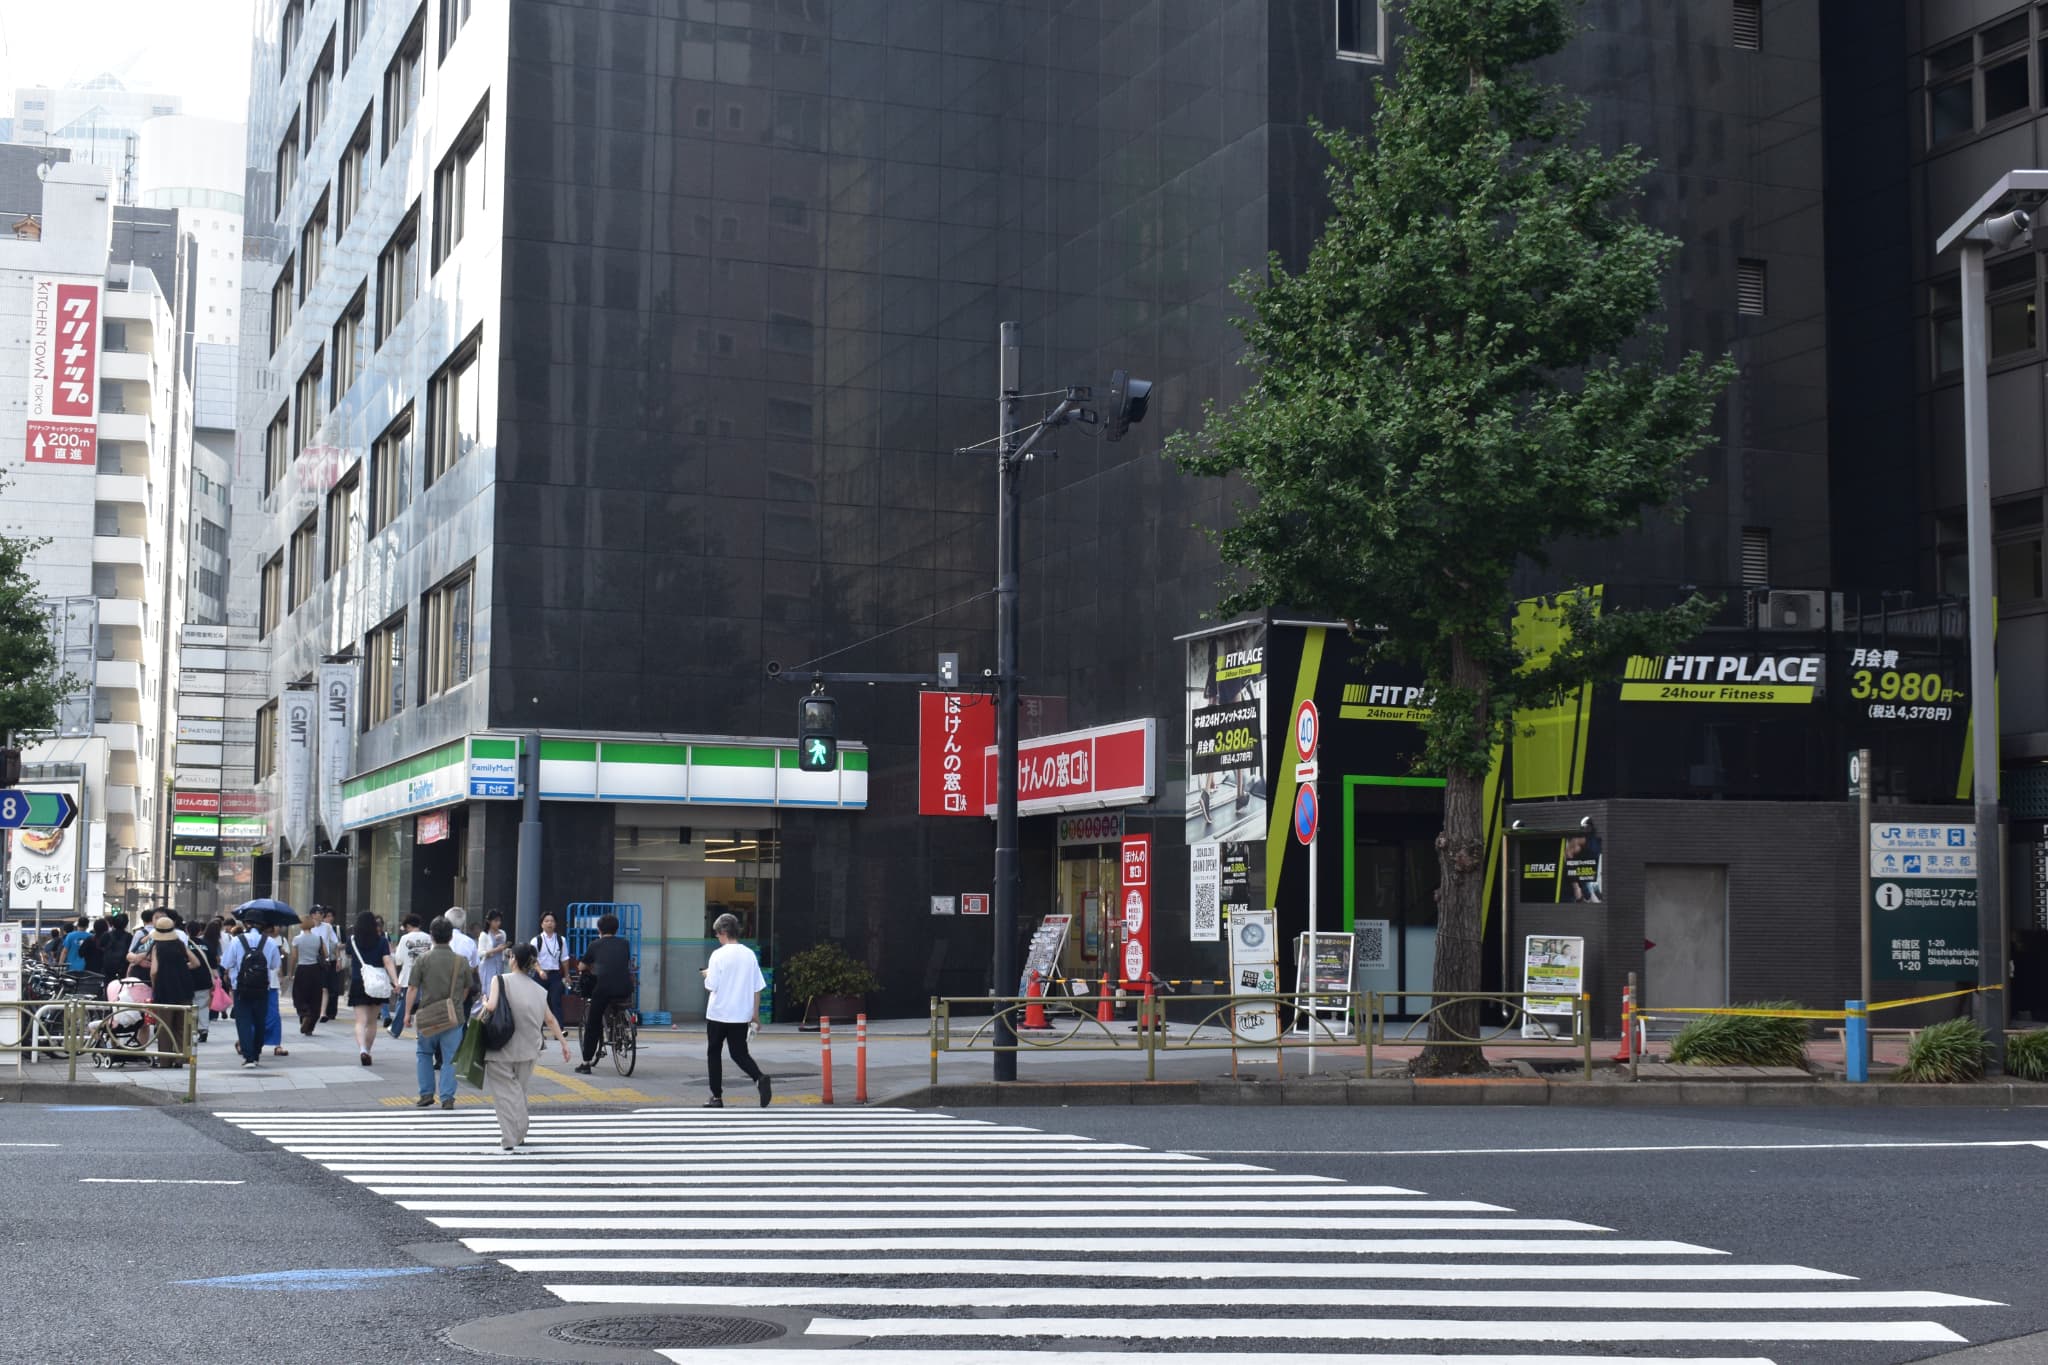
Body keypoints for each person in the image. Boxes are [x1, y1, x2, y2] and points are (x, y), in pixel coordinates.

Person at [481, 943, 571, 1150]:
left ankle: (511, 1137)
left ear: (513, 959)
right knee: (519, 1091)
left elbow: (492, 1007)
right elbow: (550, 1019)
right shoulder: (539, 990)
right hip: (530, 1048)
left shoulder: (500, 980)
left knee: (506, 1094)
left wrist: (484, 1002)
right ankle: (519, 1134)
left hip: (501, 1047)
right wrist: (564, 1043)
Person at [699, 912, 771, 1108]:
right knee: (739, 1053)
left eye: (717, 933)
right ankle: (759, 1077)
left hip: (718, 1013)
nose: (716, 937)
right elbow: (757, 988)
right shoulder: (749, 955)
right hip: (741, 1015)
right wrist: (755, 1016)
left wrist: (707, 974)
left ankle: (716, 1097)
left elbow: (711, 985)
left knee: (714, 1053)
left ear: (723, 931)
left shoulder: (717, 955)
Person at [407, 917, 473, 1109]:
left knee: (424, 1053)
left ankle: (426, 1094)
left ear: (431, 936)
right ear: (451, 936)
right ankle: (447, 1098)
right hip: (454, 1017)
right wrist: (456, 1002)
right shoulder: (461, 961)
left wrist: (406, 1016)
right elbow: (468, 987)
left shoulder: (423, 959)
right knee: (450, 1058)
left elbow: (412, 988)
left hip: (428, 1015)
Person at [575, 912, 634, 1074]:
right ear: (616, 929)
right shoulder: (625, 944)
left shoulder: (595, 945)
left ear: (599, 929)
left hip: (604, 988)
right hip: (625, 988)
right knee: (617, 1004)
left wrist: (591, 967)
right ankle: (622, 1029)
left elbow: (581, 966)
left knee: (593, 1023)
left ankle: (586, 1062)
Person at [219, 922, 283, 1068]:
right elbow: (274, 965)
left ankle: (248, 1057)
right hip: (262, 988)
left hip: (240, 988)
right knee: (260, 1020)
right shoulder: (270, 942)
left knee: (244, 1021)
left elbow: (226, 962)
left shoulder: (237, 940)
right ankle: (256, 1053)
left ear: (247, 923)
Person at [145, 916, 203, 1067]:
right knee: (182, 1025)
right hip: (184, 987)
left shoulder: (157, 947)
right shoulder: (180, 944)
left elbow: (154, 971)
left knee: (165, 1025)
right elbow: (196, 963)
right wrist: (181, 968)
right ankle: (181, 1058)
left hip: (165, 989)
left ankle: (165, 1059)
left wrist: (155, 986)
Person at [345, 911, 399, 1068]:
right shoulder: (382, 941)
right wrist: (395, 981)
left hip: (358, 981)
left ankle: (362, 1049)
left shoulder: (352, 940)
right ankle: (368, 1051)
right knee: (372, 1022)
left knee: (360, 1021)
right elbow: (387, 961)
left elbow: (349, 956)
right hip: (377, 984)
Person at [388, 914, 432, 1037]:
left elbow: (399, 960)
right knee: (423, 1005)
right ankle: (421, 1032)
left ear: (408, 926)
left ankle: (395, 1029)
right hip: (426, 978)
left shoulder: (405, 938)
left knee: (403, 1004)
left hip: (408, 976)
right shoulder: (429, 938)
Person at [288, 912, 328, 1036]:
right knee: (315, 997)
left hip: (302, 969)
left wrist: (291, 972)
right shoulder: (318, 938)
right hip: (316, 970)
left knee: (299, 995)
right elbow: (326, 954)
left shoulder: (297, 939)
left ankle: (305, 1014)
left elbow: (294, 957)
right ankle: (310, 1026)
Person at [531, 912, 569, 1033]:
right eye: (546, 921)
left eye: (552, 921)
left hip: (555, 975)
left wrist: (567, 975)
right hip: (540, 975)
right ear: (542, 924)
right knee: (539, 1003)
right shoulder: (536, 940)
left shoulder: (561, 940)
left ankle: (559, 1030)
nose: (549, 923)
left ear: (555, 924)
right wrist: (540, 971)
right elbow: (533, 959)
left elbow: (564, 959)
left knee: (556, 1001)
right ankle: (538, 1030)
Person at [475, 910, 508, 1005]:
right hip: (488, 965)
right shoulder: (484, 935)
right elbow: (480, 953)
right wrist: (495, 950)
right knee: (488, 990)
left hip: (500, 963)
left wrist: (506, 950)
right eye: (496, 921)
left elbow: (503, 948)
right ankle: (485, 1010)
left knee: (500, 989)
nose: (498, 923)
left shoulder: (502, 933)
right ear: (489, 921)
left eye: (499, 921)